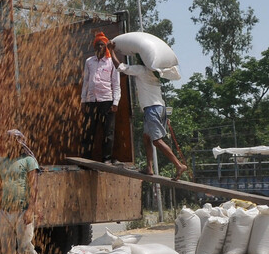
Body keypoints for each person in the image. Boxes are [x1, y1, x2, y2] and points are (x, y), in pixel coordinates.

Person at [115, 45, 189, 180]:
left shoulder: (141, 69)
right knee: (146, 137)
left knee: (156, 141)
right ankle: (149, 167)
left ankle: (179, 165)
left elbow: (121, 68)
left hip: (152, 109)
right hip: (160, 108)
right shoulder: (155, 72)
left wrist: (110, 52)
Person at [0, 129, 51, 254]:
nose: (10, 143)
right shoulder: (3, 163)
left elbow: (33, 187)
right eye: (8, 140)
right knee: (7, 252)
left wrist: (30, 210)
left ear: (21, 142)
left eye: (14, 139)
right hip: (5, 211)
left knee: (25, 248)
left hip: (22, 209)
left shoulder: (29, 161)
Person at [79, 32, 121, 162]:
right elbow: (86, 81)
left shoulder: (110, 62)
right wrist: (83, 100)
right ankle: (86, 159)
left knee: (108, 132)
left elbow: (116, 83)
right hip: (91, 101)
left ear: (106, 47)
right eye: (97, 45)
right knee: (89, 130)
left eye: (102, 45)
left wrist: (116, 102)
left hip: (107, 101)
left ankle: (106, 159)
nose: (99, 47)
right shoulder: (89, 61)